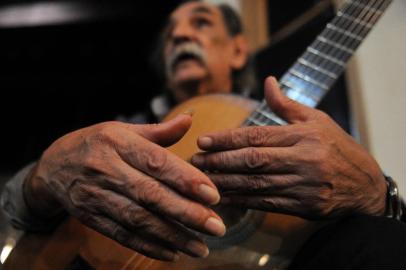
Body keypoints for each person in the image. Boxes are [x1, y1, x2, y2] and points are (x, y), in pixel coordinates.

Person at [1, 0, 405, 267]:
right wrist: (42, 178)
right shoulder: (115, 129)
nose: (179, 36)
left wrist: (379, 196)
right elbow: (10, 209)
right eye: (171, 32)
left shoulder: (303, 145)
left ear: (237, 50)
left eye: (200, 22)